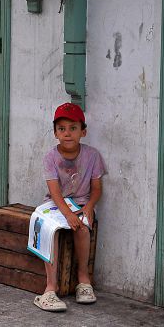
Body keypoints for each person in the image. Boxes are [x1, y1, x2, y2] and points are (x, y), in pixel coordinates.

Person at [33, 102, 106, 313]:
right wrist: (67, 214)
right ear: (55, 133)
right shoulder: (50, 158)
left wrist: (89, 207)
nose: (67, 133)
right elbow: (55, 192)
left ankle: (83, 281)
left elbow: (97, 188)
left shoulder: (92, 156)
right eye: (62, 129)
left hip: (81, 203)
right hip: (55, 205)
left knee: (83, 227)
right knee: (50, 230)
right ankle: (49, 289)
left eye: (73, 128)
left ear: (83, 131)